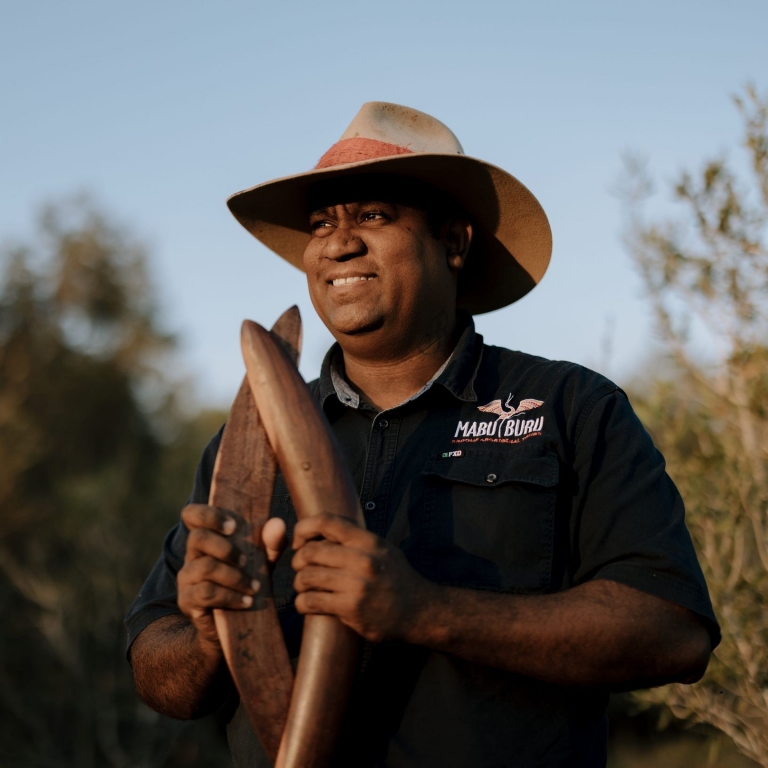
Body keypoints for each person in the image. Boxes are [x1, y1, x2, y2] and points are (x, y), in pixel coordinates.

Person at [126, 102, 719, 767]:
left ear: (455, 242)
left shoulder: (572, 408)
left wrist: (424, 611)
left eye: (374, 216)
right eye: (322, 223)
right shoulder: (246, 443)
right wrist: (211, 639)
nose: (337, 243)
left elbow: (673, 632)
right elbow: (157, 674)